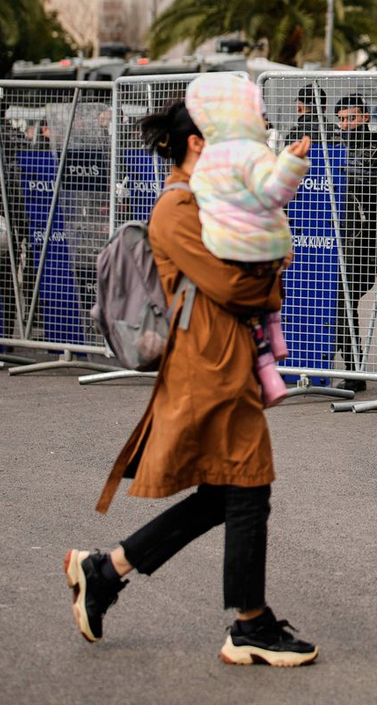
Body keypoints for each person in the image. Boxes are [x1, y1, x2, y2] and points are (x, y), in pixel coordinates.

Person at [64, 93, 318, 667]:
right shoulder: (177, 209)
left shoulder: (206, 201)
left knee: (224, 494)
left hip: (220, 359)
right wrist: (273, 275)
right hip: (207, 364)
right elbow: (232, 287)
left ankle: (104, 572)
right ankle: (249, 625)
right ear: (198, 144)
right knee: (248, 485)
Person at [185, 73, 311, 405]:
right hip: (261, 246)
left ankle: (269, 359)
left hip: (223, 248)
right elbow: (273, 193)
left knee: (249, 317)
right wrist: (292, 163)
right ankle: (273, 360)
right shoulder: (251, 153)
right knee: (263, 303)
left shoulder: (208, 158)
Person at [330, 93, 377, 392]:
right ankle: (346, 366)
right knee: (336, 302)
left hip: (366, 241)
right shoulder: (332, 147)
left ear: (366, 117)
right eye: (342, 119)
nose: (346, 125)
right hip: (336, 239)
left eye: (352, 118)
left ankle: (354, 369)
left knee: (346, 300)